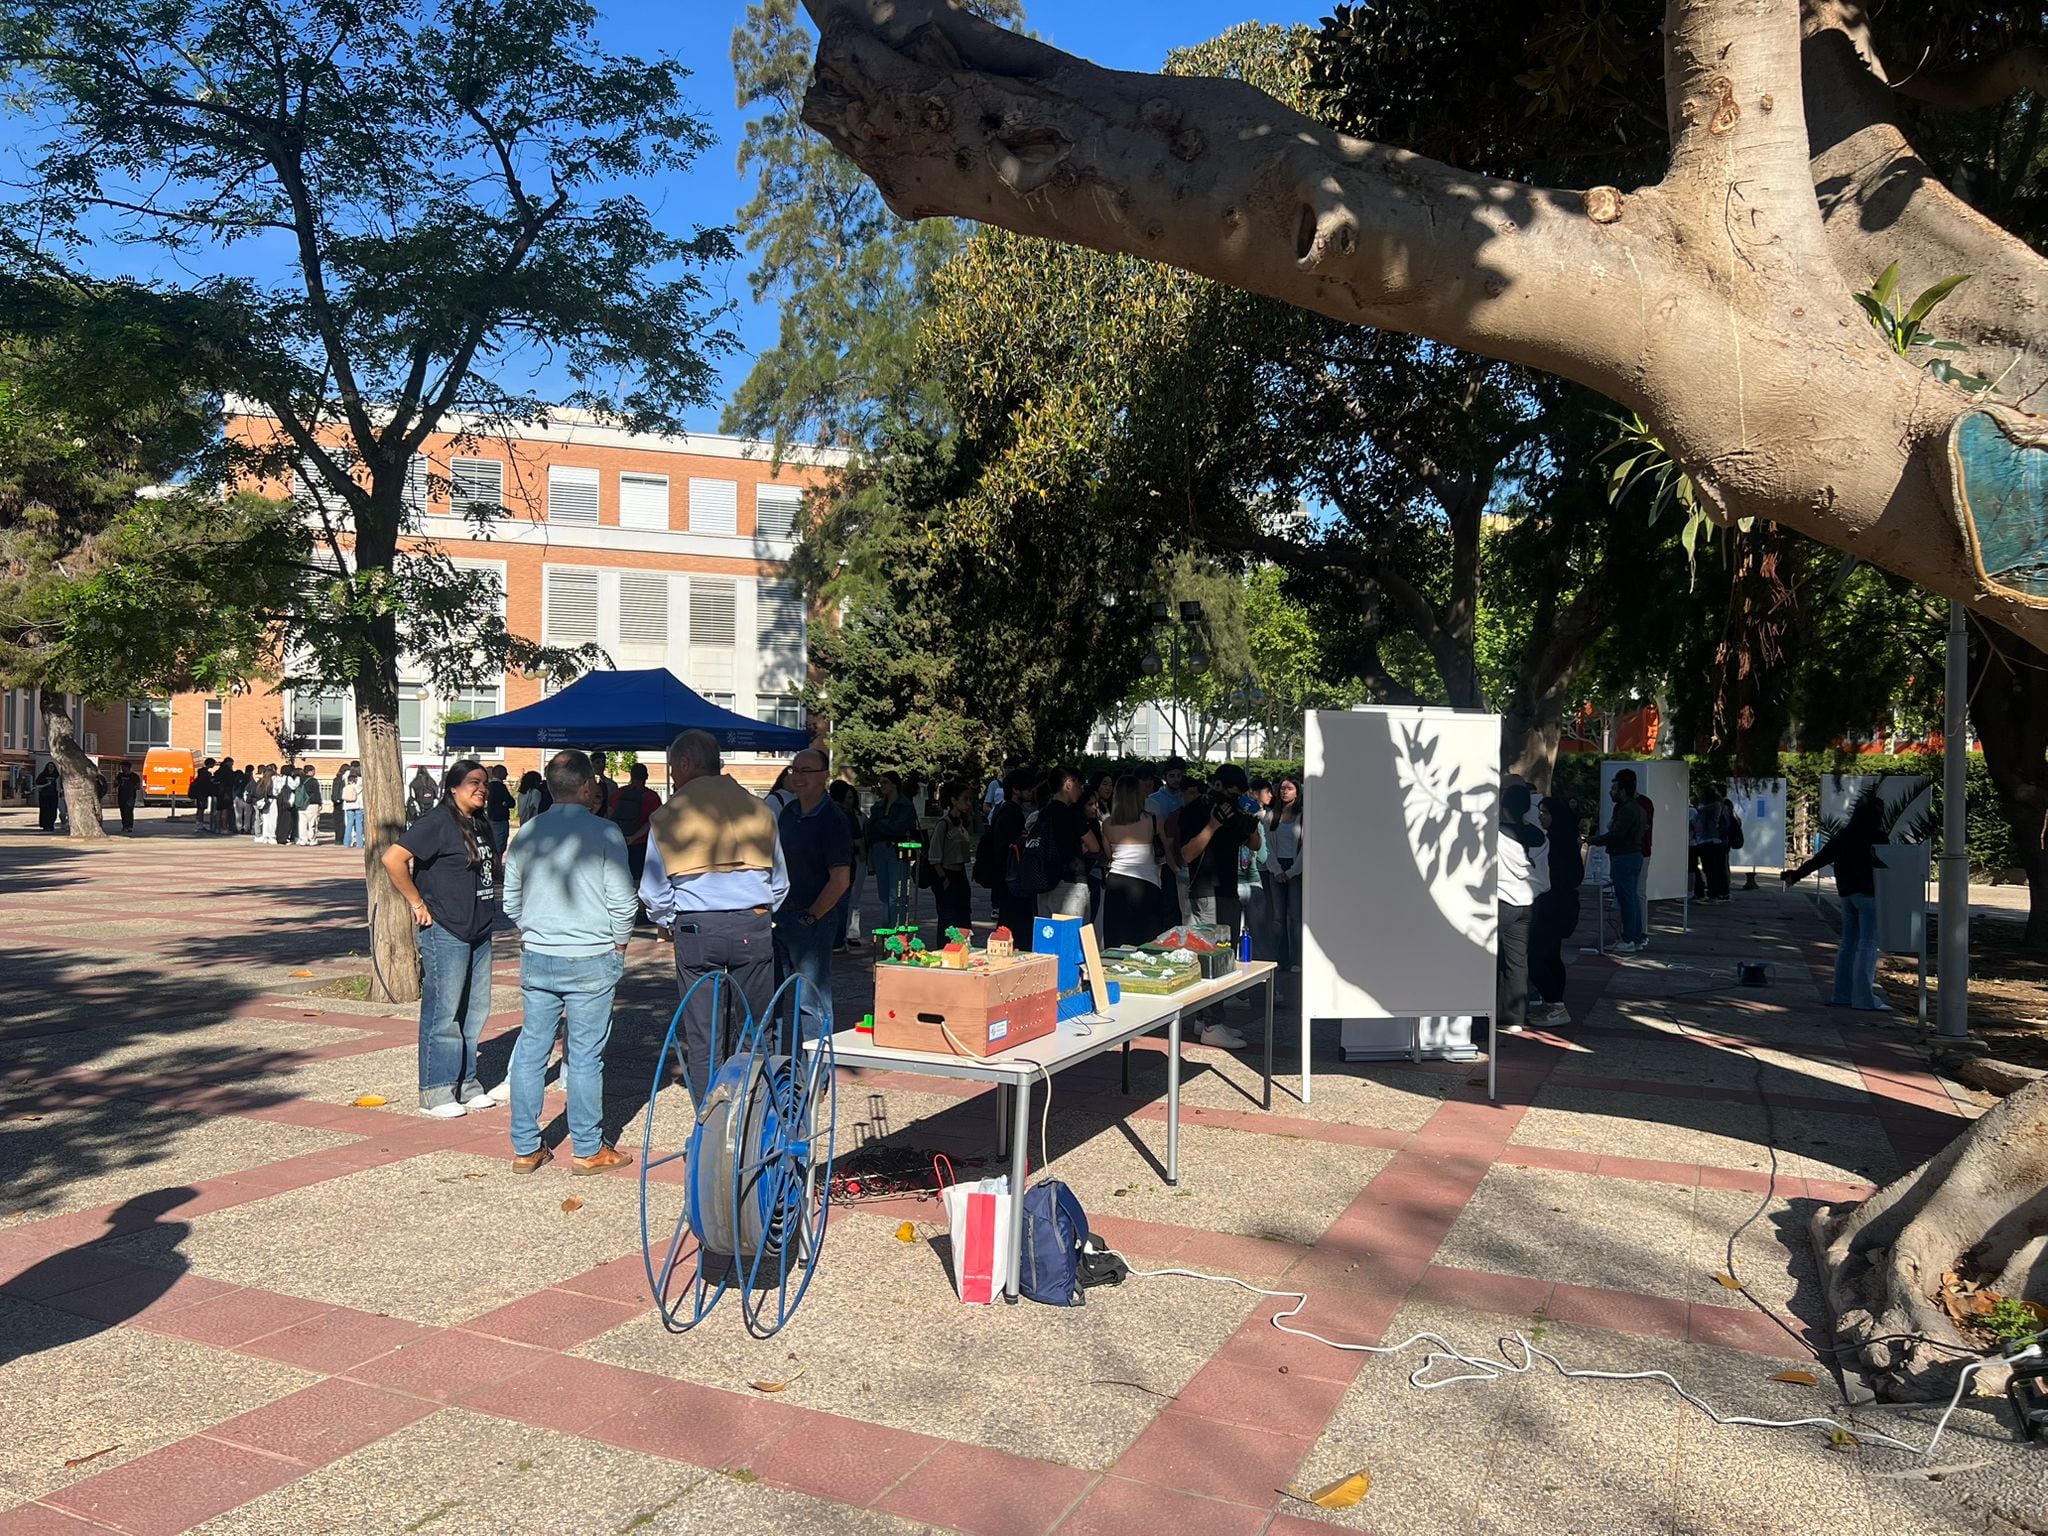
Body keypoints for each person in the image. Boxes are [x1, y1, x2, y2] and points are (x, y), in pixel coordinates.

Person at [502, 749, 638, 1174]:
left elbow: (511, 901)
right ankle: (587, 1146)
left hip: (540, 954)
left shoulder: (527, 832)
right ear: (585, 787)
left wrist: (536, 926)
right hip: (591, 955)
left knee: (531, 1050)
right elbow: (623, 899)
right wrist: (618, 944)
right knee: (584, 1056)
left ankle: (526, 1146)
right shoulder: (606, 832)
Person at [640, 729, 788, 1102]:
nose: (673, 777)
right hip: (751, 923)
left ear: (686, 764)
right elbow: (781, 883)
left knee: (704, 1033)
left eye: (673, 768)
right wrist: (758, 914)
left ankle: (710, 1118)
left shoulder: (667, 815)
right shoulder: (760, 809)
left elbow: (653, 891)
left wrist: (670, 920)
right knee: (758, 1027)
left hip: (695, 926)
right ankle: (760, 1113)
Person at [381, 759, 505, 1117]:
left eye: (485, 783)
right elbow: (393, 858)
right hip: (446, 929)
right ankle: (436, 1091)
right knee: (444, 1013)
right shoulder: (437, 822)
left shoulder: (478, 823)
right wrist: (416, 902)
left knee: (474, 1011)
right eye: (472, 783)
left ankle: (467, 1084)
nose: (481, 788)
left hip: (479, 928)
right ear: (452, 787)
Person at [1784, 792, 1891, 1012]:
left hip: (1846, 894)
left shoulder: (1844, 835)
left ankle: (1841, 994)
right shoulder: (1878, 837)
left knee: (1847, 944)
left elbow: (1820, 859)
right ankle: (1864, 998)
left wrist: (1796, 875)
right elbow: (1888, 867)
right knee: (1868, 945)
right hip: (1869, 894)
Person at [775, 748, 854, 1046]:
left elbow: (840, 879)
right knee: (775, 1000)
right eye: (795, 770)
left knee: (812, 1002)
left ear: (824, 776)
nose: (798, 777)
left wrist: (812, 916)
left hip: (812, 919)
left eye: (807, 771)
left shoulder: (833, 818)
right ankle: (779, 1072)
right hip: (781, 915)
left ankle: (815, 1076)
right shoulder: (788, 813)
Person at [1177, 764, 1261, 939]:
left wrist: (1252, 826)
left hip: (1229, 890)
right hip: (1205, 891)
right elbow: (1187, 855)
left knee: (1229, 948)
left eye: (1239, 796)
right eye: (1232, 794)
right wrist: (1212, 826)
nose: (1234, 799)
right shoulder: (1195, 810)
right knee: (1209, 948)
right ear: (1218, 785)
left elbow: (1255, 845)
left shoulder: (1235, 811)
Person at [1495, 780, 1549, 1038]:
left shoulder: (1495, 834)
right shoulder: (1540, 835)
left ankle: (1481, 1015)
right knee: (1518, 961)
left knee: (1488, 958)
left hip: (1501, 900)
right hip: (1528, 902)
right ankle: (1514, 1017)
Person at [1529, 793, 1583, 1026]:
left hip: (1553, 906)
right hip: (1558, 905)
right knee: (1551, 956)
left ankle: (1555, 1004)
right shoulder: (1564, 838)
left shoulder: (1556, 842)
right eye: (1540, 812)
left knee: (1537, 957)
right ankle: (1554, 1003)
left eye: (1546, 813)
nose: (1541, 817)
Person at [1101, 774, 1164, 947]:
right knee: (1146, 942)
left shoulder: (1107, 824)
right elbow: (1165, 850)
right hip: (1146, 883)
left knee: (1116, 940)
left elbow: (1109, 854)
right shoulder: (1153, 820)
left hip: (1116, 882)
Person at [1589, 768, 1649, 953]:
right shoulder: (1633, 808)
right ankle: (1636, 937)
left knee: (1627, 899)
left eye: (1614, 788)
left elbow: (1617, 835)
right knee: (1631, 898)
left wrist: (1593, 840)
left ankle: (1629, 938)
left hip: (1625, 857)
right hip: (1631, 855)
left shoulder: (1628, 810)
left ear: (1623, 790)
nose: (1611, 792)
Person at [1035, 767, 1097, 920]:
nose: (1081, 790)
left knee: (1049, 937)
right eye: (1079, 785)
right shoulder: (1072, 814)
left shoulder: (1044, 813)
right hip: (1071, 882)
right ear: (1069, 784)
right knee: (1073, 937)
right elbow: (1094, 846)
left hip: (1044, 881)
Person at [986, 768, 1037, 947]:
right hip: (1012, 877)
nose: (1031, 793)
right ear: (1016, 790)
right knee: (1016, 926)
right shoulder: (1012, 813)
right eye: (1028, 789)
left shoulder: (1003, 810)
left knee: (1009, 923)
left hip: (1005, 877)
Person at [867, 772, 917, 930]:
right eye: (880, 783)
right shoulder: (878, 806)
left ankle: (898, 926)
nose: (882, 786)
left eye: (885, 782)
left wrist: (882, 825)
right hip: (880, 849)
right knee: (884, 892)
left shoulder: (905, 805)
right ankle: (887, 925)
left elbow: (898, 828)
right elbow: (870, 828)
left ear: (895, 784)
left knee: (897, 892)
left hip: (898, 851)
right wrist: (885, 825)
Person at [1265, 775, 1305, 971]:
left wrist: (1292, 871)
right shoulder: (1271, 816)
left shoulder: (1304, 816)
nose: (1285, 791)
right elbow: (1267, 846)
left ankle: (1298, 958)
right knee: (1278, 916)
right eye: (1282, 788)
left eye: (1289, 788)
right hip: (1277, 867)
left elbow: (1306, 848)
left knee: (1296, 916)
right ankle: (1281, 958)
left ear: (1298, 791)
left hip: (1296, 868)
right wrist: (1277, 870)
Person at [929, 780, 975, 945]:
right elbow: (934, 855)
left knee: (963, 915)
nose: (968, 803)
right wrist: (943, 878)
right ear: (953, 800)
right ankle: (944, 948)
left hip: (960, 874)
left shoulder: (962, 823)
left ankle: (962, 947)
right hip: (946, 874)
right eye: (965, 799)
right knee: (947, 917)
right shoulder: (944, 824)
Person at [606, 761, 661, 898]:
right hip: (641, 844)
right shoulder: (652, 797)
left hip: (619, 842)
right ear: (646, 776)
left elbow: (609, 816)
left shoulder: (618, 793)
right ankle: (638, 908)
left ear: (631, 775)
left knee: (619, 874)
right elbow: (653, 822)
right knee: (638, 878)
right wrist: (634, 837)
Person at [828, 779, 866, 952]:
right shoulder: (846, 814)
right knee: (843, 902)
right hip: (845, 863)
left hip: (824, 863)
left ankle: (827, 940)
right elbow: (858, 841)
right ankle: (837, 941)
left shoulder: (823, 811)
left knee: (827, 902)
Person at [1692, 782, 1732, 902]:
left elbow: (1700, 810)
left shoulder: (1713, 806)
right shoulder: (1720, 805)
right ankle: (1719, 893)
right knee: (1716, 869)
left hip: (1709, 840)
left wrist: (1695, 804)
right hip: (1714, 840)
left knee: (1710, 869)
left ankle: (1713, 894)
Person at [484, 763, 515, 859]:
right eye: (505, 772)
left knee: (492, 842)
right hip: (500, 819)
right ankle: (497, 867)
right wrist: (505, 803)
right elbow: (511, 802)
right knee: (499, 845)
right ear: (500, 773)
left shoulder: (488, 786)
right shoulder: (499, 787)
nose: (507, 774)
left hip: (490, 817)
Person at [275, 763, 301, 847]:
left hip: (279, 799)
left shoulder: (278, 778)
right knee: (287, 820)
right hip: (287, 800)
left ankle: (279, 836)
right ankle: (284, 838)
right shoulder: (288, 778)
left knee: (280, 818)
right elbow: (294, 786)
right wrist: (297, 778)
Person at [293, 766, 319, 845]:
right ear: (311, 771)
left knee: (302, 823)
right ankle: (312, 839)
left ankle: (303, 839)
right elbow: (317, 793)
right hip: (312, 803)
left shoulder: (299, 780)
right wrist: (319, 803)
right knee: (312, 822)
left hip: (301, 804)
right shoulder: (313, 781)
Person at [341, 765, 365, 848]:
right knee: (359, 824)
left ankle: (346, 842)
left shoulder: (347, 779)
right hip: (358, 804)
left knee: (349, 824)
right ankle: (360, 843)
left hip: (348, 804)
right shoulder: (361, 781)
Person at [115, 761, 141, 835]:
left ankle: (129, 826)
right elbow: (115, 784)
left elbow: (138, 786)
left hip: (130, 796)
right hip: (121, 795)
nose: (122, 768)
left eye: (123, 767)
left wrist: (131, 787)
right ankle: (124, 826)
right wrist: (116, 782)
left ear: (127, 767)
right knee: (123, 811)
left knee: (129, 810)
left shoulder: (134, 776)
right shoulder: (120, 775)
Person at [214, 758, 239, 833]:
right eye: (232, 763)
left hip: (219, 792)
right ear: (229, 763)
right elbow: (231, 780)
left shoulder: (219, 770)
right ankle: (224, 828)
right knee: (225, 810)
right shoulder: (227, 771)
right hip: (226, 792)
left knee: (219, 810)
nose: (232, 765)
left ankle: (218, 827)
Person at [192, 758, 215, 834]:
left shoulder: (201, 772)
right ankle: (199, 825)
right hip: (202, 793)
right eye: (213, 764)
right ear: (210, 764)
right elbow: (207, 783)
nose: (214, 765)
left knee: (200, 809)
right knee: (201, 809)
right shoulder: (206, 773)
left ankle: (199, 824)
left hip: (199, 793)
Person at [36, 762, 60, 833]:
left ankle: (51, 825)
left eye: (52, 767)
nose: (51, 768)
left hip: (53, 796)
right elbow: (38, 785)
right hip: (44, 797)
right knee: (44, 811)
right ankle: (45, 825)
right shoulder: (42, 775)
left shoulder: (56, 776)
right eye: (49, 766)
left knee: (52, 811)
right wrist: (46, 785)